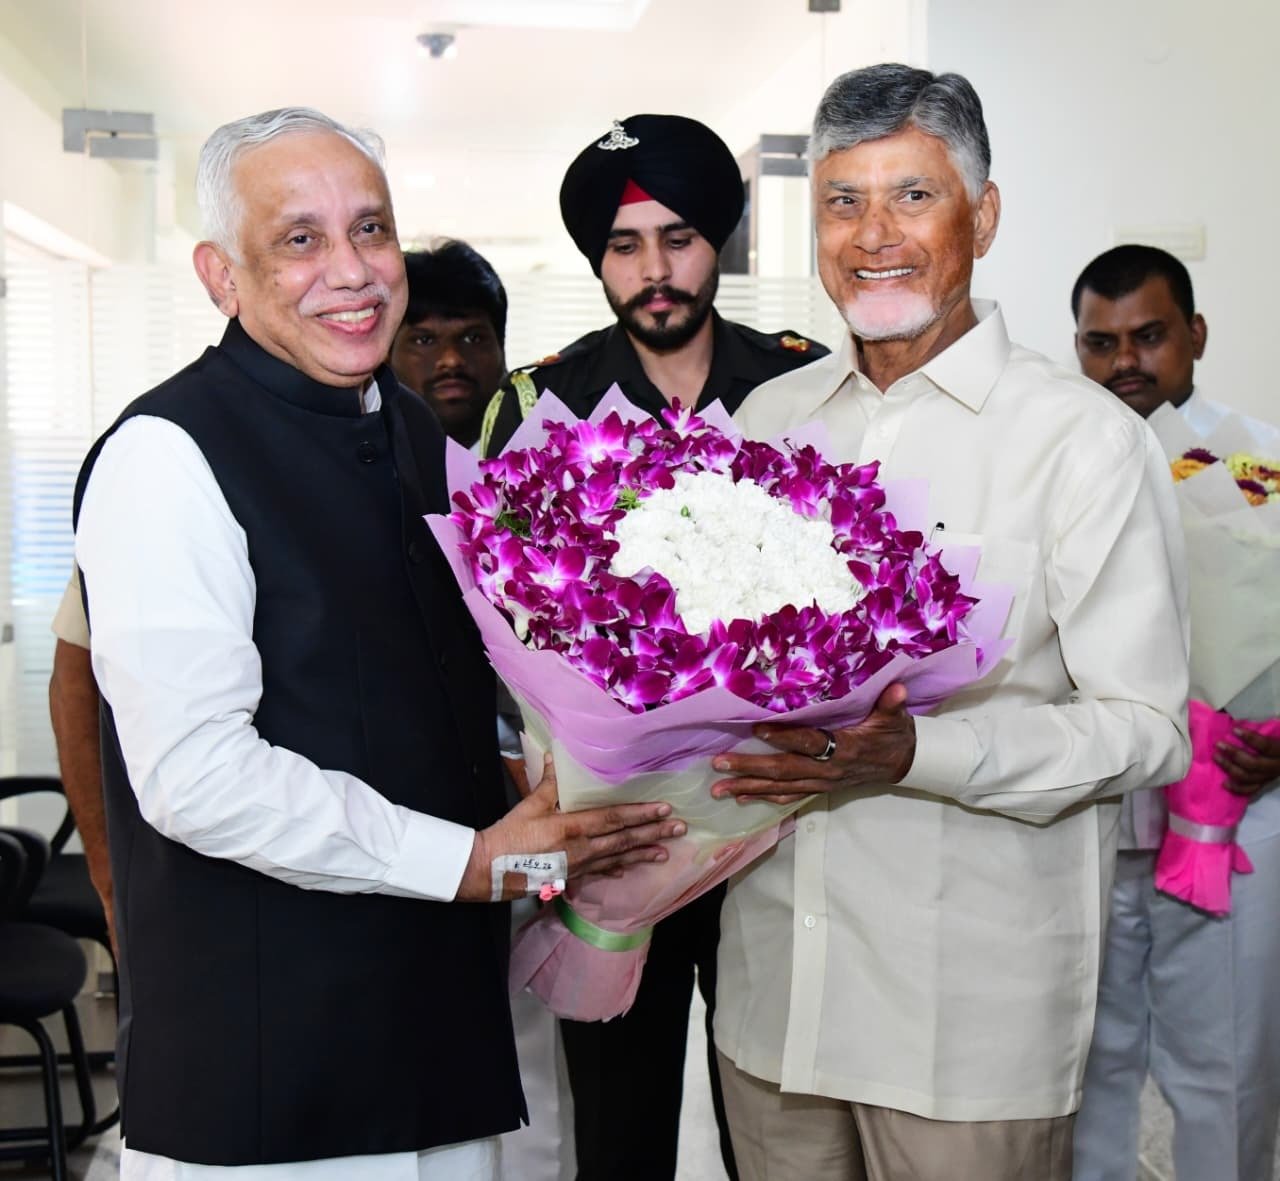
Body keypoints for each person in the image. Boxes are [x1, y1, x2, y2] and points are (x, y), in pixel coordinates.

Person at [71, 106, 684, 1180]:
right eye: (299, 239)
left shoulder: (409, 431)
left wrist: (568, 787)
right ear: (220, 275)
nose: (351, 270)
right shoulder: (166, 455)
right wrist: (470, 861)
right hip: (275, 1075)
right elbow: (195, 775)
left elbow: (408, 698)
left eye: (371, 229)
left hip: (439, 1042)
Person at [709, 64, 1191, 1181]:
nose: (872, 234)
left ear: (982, 215)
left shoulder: (1080, 440)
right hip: (775, 1003)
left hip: (966, 1027)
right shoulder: (767, 421)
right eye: (842, 201)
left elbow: (1145, 726)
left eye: (912, 196)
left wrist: (918, 751)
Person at [483, 113, 828, 1181]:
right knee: (617, 1126)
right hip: (614, 835)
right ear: (598, 259)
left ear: (716, 241)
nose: (654, 270)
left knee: (777, 1122)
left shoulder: (800, 384)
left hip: (771, 821)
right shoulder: (540, 402)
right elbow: (494, 613)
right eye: (625, 246)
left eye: (678, 239)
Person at [1070, 244, 1280, 1181]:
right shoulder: (1054, 461)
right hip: (1088, 818)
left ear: (1194, 334)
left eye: (1149, 336)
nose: (1126, 361)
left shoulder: (1262, 462)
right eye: (1101, 342)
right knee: (1085, 1066)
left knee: (1223, 1068)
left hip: (1235, 813)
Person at [389, 240, 509, 448]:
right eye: (424, 340)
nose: (452, 360)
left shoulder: (548, 453)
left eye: (473, 338)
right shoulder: (349, 458)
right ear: (385, 355)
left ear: (501, 347)